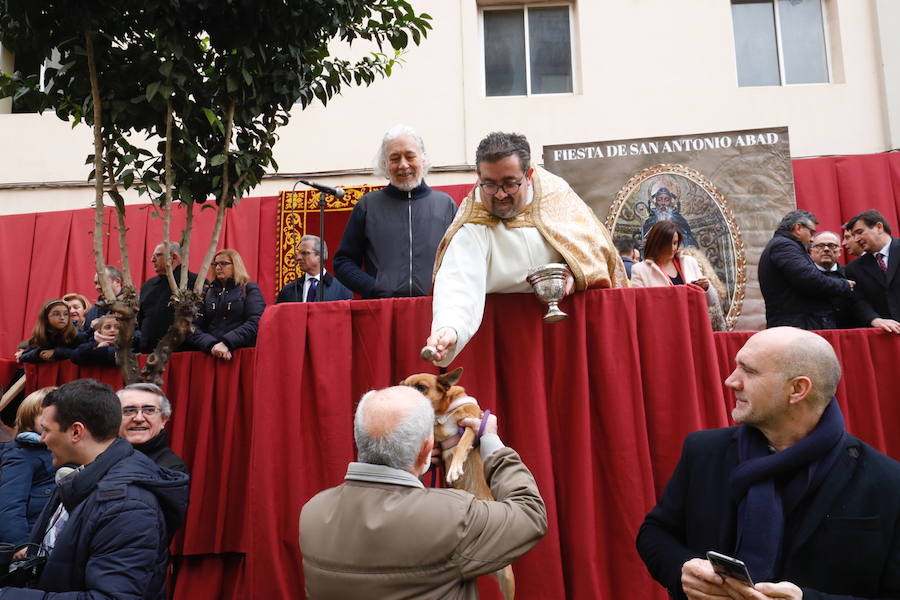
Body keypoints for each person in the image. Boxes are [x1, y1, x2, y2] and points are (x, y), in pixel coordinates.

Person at [636, 327, 900, 600]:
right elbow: (655, 533)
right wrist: (682, 570)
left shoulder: (887, 482)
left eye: (748, 372)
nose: (730, 381)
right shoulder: (704, 451)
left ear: (797, 389)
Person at [299, 386, 547, 598]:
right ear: (426, 448)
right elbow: (530, 514)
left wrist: (413, 471)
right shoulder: (454, 515)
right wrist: (492, 444)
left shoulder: (312, 512)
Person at [426, 131, 627, 366]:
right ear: (478, 175)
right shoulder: (473, 219)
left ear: (529, 174)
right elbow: (459, 281)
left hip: (567, 339)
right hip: (504, 342)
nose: (500, 194)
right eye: (489, 184)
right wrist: (450, 329)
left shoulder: (555, 196)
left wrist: (576, 274)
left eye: (510, 184)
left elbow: (595, 251)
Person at [0, 379, 189, 599]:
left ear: (76, 432)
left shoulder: (128, 506)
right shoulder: (78, 477)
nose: (42, 439)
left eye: (46, 430)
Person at [333, 124, 458, 299]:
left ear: (422, 158)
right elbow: (343, 262)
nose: (403, 164)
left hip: (435, 310)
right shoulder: (368, 205)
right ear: (385, 164)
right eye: (394, 158)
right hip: (383, 312)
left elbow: (461, 260)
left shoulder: (446, 205)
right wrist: (373, 288)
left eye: (410, 156)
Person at [758, 209, 854, 330]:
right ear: (798, 228)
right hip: (797, 325)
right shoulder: (784, 246)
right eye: (811, 232)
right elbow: (808, 278)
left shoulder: (782, 244)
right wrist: (843, 285)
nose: (812, 239)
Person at [0, 388, 56, 556]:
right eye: (45, 416)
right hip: (31, 540)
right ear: (29, 423)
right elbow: (10, 503)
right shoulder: (22, 454)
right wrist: (19, 544)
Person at [188, 248, 265, 360]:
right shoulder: (206, 292)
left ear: (236, 265)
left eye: (223, 263)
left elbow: (255, 322)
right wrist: (212, 345)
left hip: (241, 356)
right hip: (211, 355)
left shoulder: (249, 289)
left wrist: (227, 343)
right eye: (215, 264)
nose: (218, 268)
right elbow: (192, 327)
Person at [631, 222, 720, 316]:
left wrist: (707, 288)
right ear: (656, 243)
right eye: (667, 244)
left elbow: (711, 302)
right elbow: (639, 307)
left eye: (675, 243)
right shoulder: (639, 270)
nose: (672, 248)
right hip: (663, 326)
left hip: (692, 323)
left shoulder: (690, 262)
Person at [136, 242, 198, 354]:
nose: (152, 260)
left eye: (158, 255)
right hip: (148, 354)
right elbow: (140, 319)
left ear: (174, 257)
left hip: (180, 353)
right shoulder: (148, 285)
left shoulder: (195, 282)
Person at [845, 209, 900, 334]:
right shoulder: (854, 268)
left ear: (879, 227)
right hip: (884, 335)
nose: (856, 239)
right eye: (853, 235)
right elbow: (858, 301)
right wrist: (875, 319)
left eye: (859, 232)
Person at [117, 383, 187, 473]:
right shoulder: (98, 456)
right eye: (129, 410)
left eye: (149, 410)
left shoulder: (172, 470)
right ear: (115, 418)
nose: (139, 419)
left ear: (163, 420)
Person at [276, 235, 352, 303]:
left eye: (304, 253)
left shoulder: (341, 290)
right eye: (298, 253)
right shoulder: (288, 290)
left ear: (319, 256)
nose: (298, 258)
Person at [809, 230, 857, 329]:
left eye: (832, 246)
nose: (826, 249)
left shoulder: (851, 274)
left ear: (840, 251)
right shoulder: (803, 277)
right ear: (811, 252)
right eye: (820, 246)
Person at [17, 299, 82, 363]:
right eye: (56, 314)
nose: (62, 317)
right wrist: (39, 353)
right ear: (46, 318)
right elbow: (23, 356)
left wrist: (55, 352)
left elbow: (83, 354)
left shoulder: (76, 333)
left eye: (65, 314)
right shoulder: (42, 334)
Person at [640, 178, 699, 248]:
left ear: (671, 203)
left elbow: (689, 239)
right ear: (655, 203)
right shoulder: (650, 221)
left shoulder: (679, 219)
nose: (663, 203)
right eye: (659, 200)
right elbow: (644, 240)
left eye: (666, 200)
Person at [81, 265, 124, 334]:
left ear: (117, 282)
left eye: (101, 282)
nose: (97, 287)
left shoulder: (134, 305)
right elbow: (85, 339)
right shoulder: (93, 311)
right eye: (96, 283)